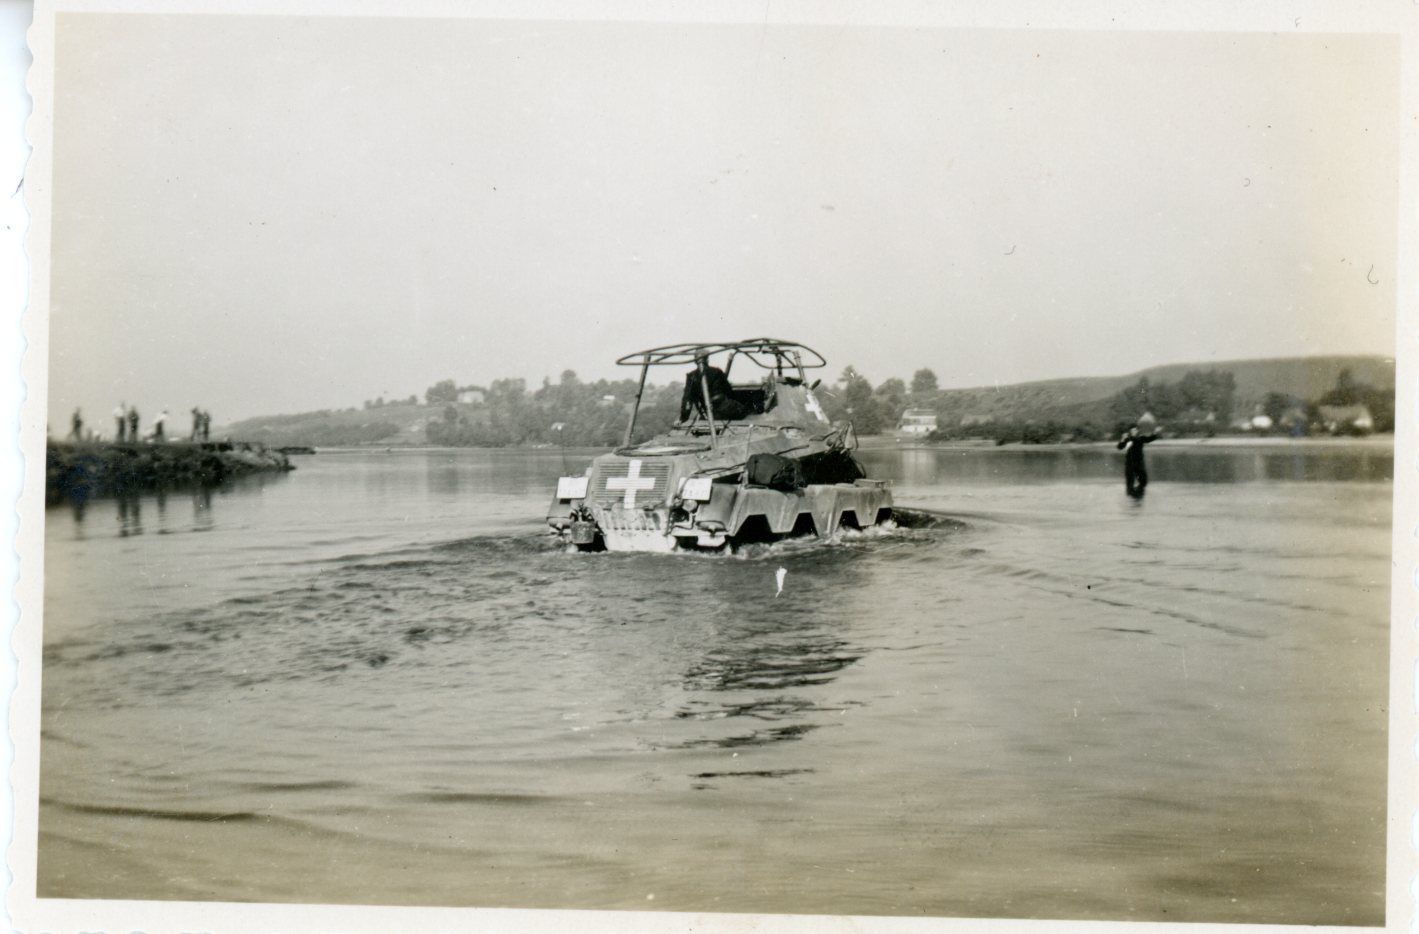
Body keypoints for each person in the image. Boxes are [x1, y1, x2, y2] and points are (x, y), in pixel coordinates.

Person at [679, 355, 750, 422]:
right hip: (724, 408)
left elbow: (687, 400)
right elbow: (728, 391)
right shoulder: (717, 371)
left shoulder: (691, 376)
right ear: (707, 360)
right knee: (744, 410)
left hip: (708, 412)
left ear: (695, 361)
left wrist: (683, 418)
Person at [1117, 424, 1160, 496]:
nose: (1134, 431)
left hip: (1139, 463)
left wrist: (1155, 432)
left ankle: (1139, 494)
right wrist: (1122, 438)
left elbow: (1149, 439)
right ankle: (1130, 496)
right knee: (1130, 482)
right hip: (1130, 463)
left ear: (1137, 431)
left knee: (1143, 481)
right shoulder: (1127, 439)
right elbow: (1119, 447)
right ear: (1130, 431)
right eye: (1132, 430)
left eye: (1135, 430)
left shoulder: (1141, 438)